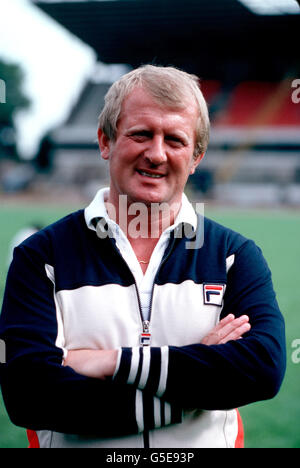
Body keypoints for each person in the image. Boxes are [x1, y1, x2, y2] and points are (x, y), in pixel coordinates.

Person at [0, 65, 286, 449]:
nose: (156, 154)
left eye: (175, 140)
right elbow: (29, 394)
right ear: (106, 141)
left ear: (196, 156)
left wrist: (112, 362)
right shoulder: (40, 257)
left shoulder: (235, 256)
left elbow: (262, 369)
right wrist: (198, 385)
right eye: (141, 134)